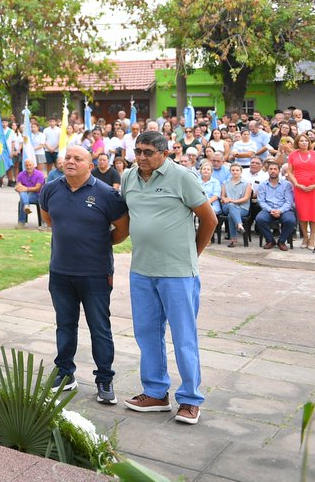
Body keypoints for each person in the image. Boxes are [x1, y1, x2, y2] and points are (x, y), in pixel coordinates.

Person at [120, 131, 217, 426]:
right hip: (141, 270)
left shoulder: (182, 177)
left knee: (183, 335)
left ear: (164, 153)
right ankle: (155, 392)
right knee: (147, 333)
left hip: (177, 274)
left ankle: (190, 399)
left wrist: (191, 254)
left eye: (148, 152)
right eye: (138, 151)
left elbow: (209, 220)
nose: (141, 157)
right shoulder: (129, 178)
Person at [39, 145, 129, 404]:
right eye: (67, 157)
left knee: (99, 328)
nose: (70, 161)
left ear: (90, 165)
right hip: (60, 272)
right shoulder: (51, 189)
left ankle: (104, 380)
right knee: (65, 326)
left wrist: (97, 242)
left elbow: (122, 229)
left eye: (78, 158)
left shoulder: (107, 194)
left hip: (95, 274)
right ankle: (65, 374)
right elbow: (49, 219)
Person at [286, 133, 315, 249]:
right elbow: (289, 172)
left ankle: (312, 238)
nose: (304, 143)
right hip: (299, 187)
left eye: (306, 141)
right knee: (303, 213)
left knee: (314, 212)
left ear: (309, 142)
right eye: (301, 141)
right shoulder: (293, 155)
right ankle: (305, 237)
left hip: (314, 186)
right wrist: (296, 184)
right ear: (298, 142)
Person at [255, 162, 296, 250]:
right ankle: (270, 240)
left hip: (284, 209)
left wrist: (280, 211)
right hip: (268, 209)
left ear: (279, 171)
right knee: (260, 219)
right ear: (267, 171)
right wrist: (270, 210)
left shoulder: (286, 184)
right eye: (271, 169)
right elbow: (261, 201)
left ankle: (281, 241)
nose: (273, 171)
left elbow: (289, 201)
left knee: (291, 220)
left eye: (275, 169)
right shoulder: (262, 185)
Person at [218, 164, 250, 248]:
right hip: (227, 206)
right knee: (231, 206)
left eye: (237, 170)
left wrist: (232, 200)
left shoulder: (247, 184)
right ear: (230, 171)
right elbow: (223, 196)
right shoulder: (225, 183)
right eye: (233, 170)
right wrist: (224, 199)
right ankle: (239, 225)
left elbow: (246, 198)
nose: (235, 172)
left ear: (241, 171)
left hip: (242, 207)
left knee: (231, 215)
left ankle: (233, 239)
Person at [14, 158, 45, 228]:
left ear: (34, 165)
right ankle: (26, 205)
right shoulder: (21, 174)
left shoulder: (39, 174)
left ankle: (21, 222)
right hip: (26, 194)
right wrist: (18, 188)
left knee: (23, 196)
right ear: (25, 166)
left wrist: (26, 189)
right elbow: (18, 186)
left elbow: (38, 188)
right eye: (27, 165)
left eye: (30, 165)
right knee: (23, 193)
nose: (28, 167)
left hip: (37, 195)